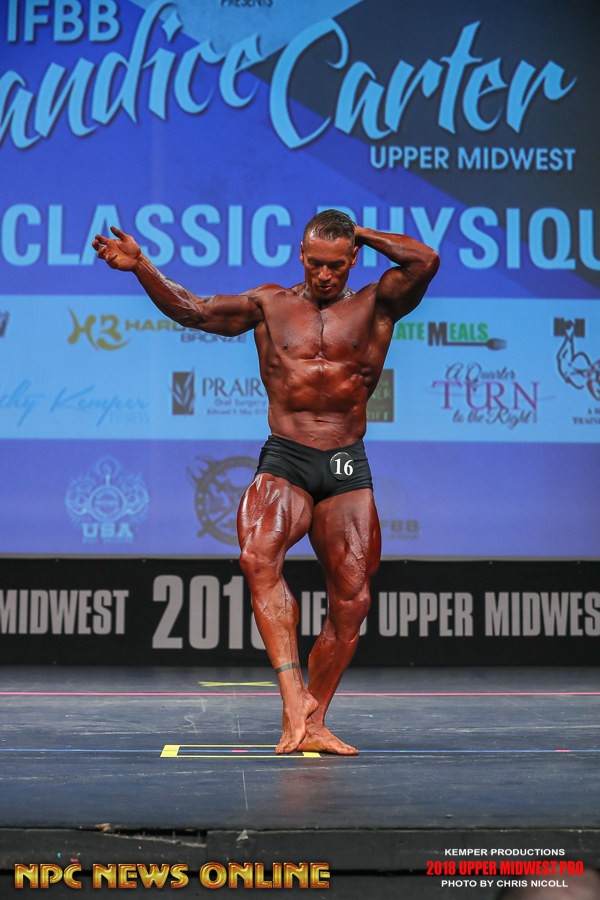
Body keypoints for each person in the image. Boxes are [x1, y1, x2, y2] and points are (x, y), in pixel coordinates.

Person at [92, 209, 439, 755]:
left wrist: (360, 232)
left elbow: (426, 260)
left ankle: (313, 720)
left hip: (345, 461)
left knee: (352, 600)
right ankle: (292, 694)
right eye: (315, 263)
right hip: (288, 456)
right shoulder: (270, 305)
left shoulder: (377, 304)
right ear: (301, 256)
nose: (324, 274)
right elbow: (194, 311)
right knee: (257, 558)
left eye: (336, 264)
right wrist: (142, 268)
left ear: (354, 258)